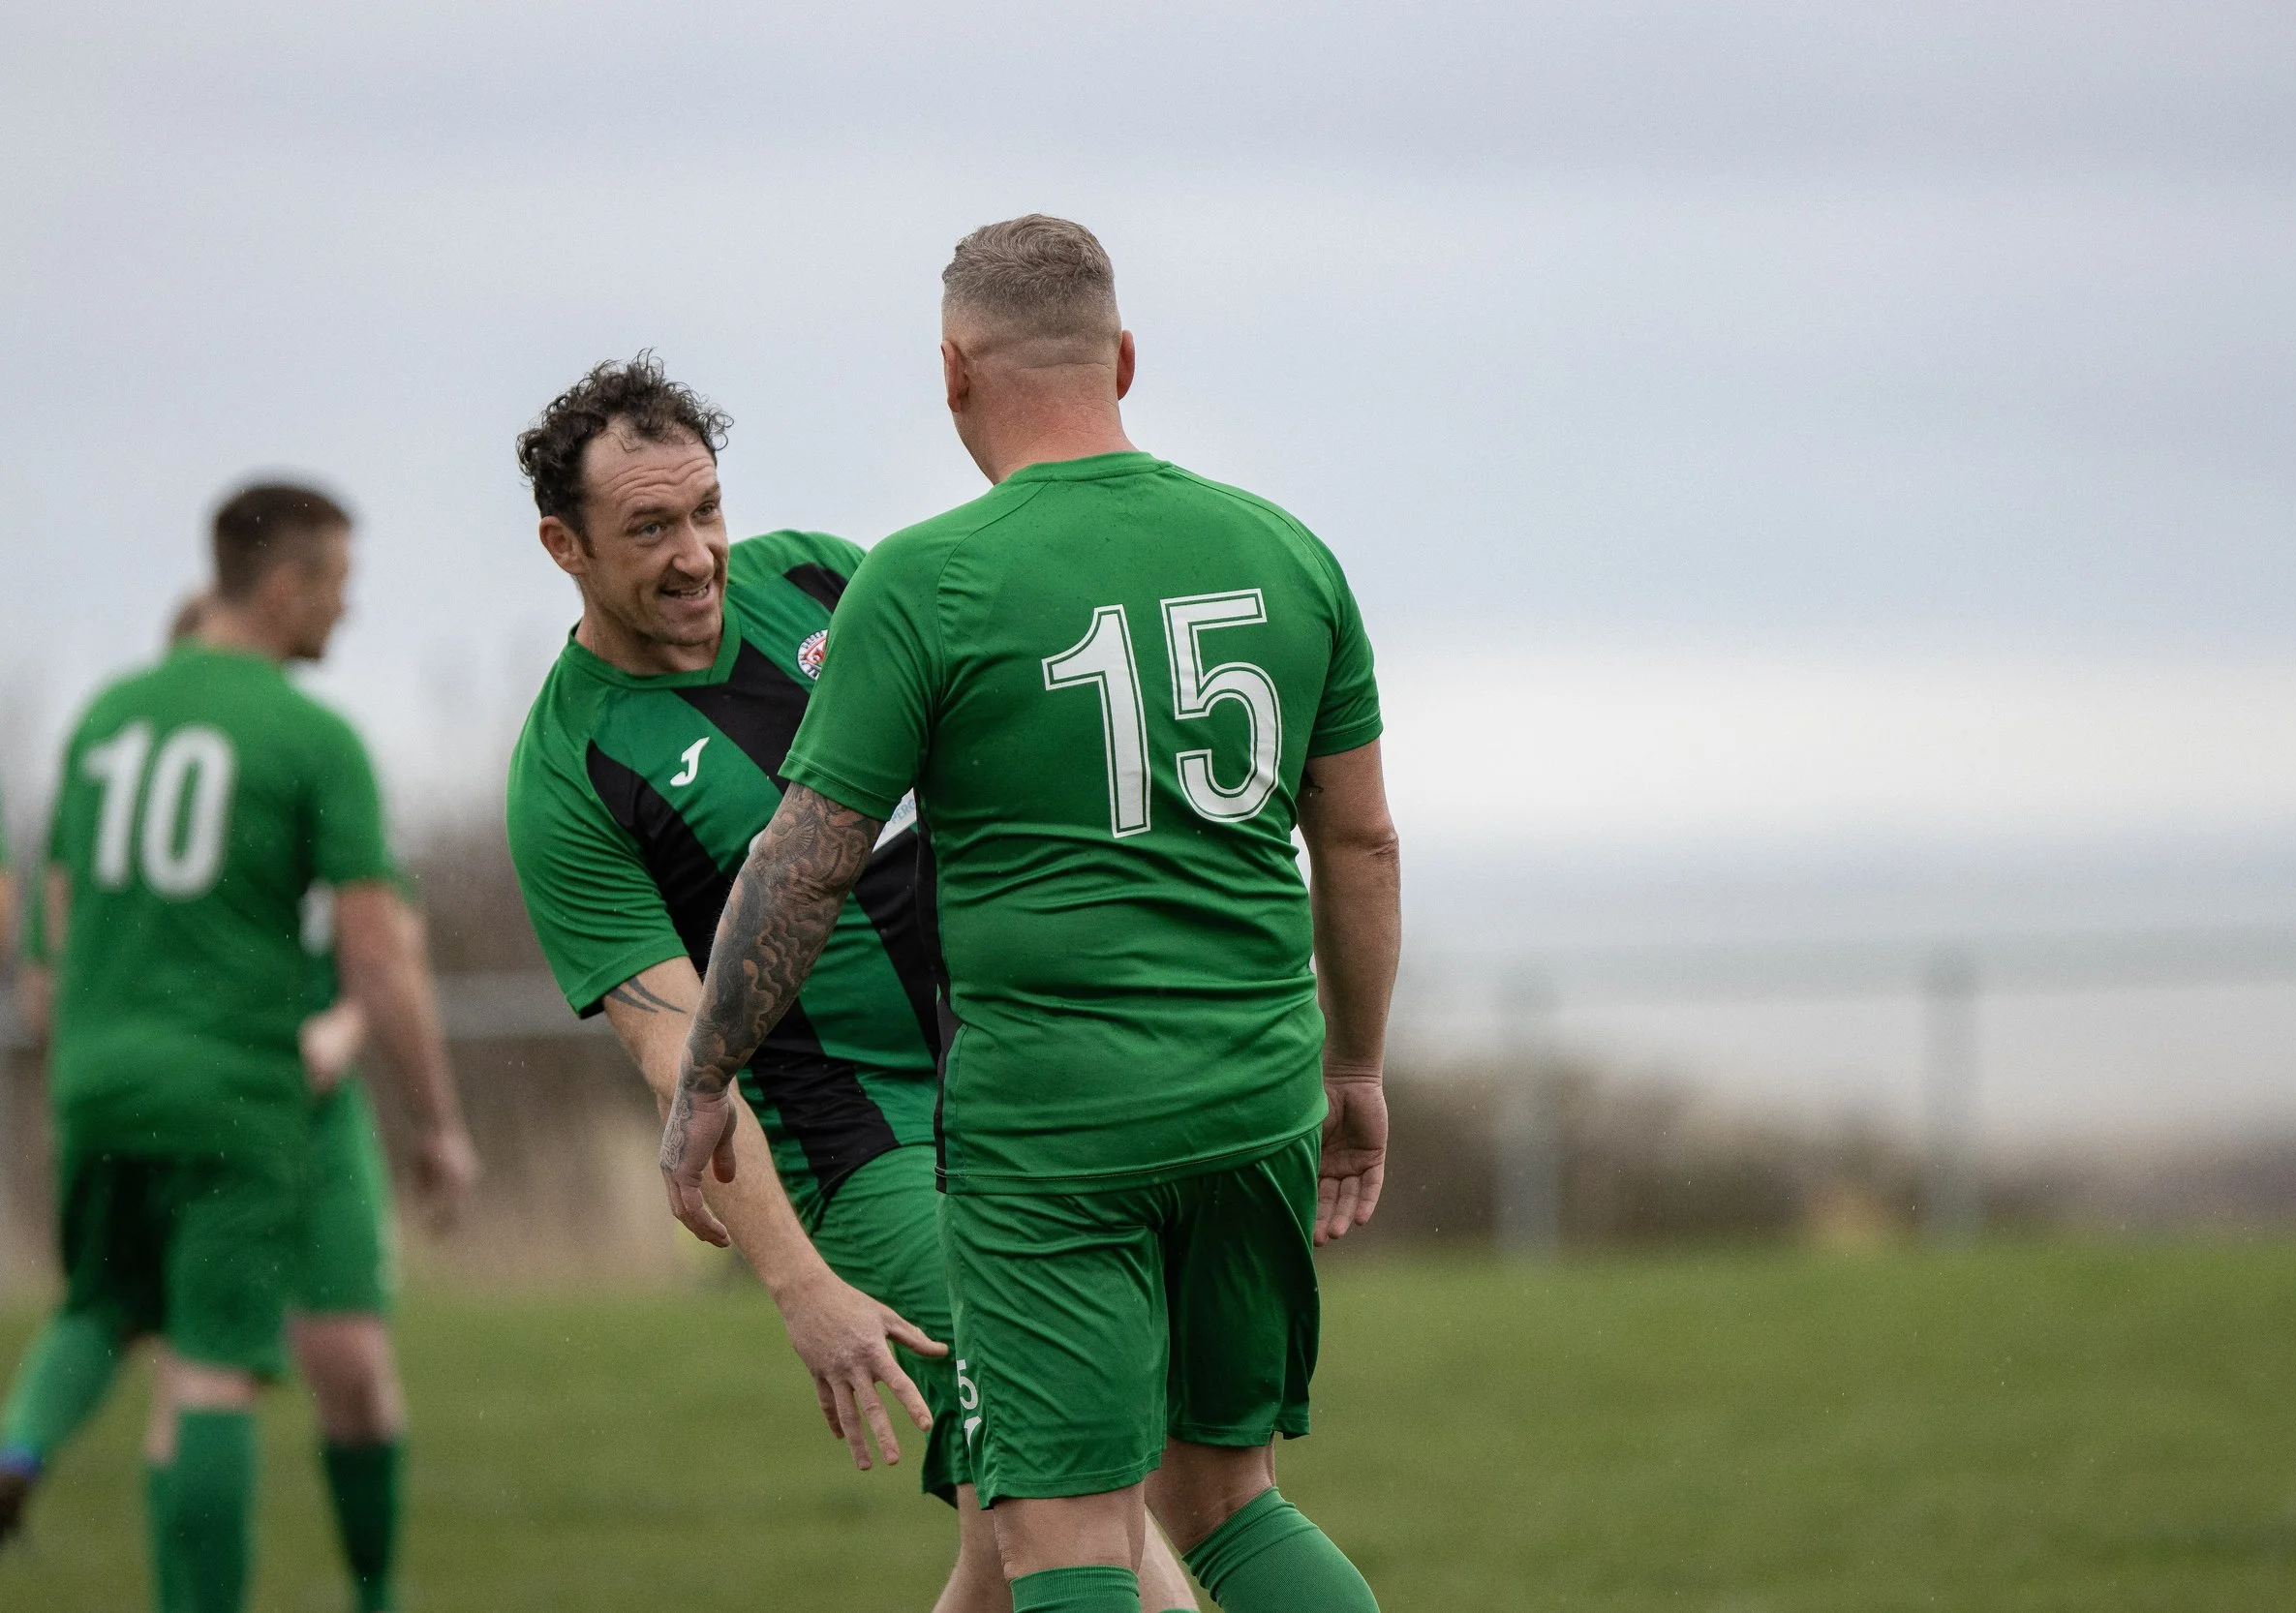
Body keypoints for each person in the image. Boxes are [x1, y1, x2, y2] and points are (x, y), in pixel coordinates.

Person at [661, 216, 1401, 1613]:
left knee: (1059, 1537)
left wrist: (706, 1075)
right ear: (1122, 356)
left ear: (952, 371)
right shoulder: (1285, 552)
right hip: (1255, 1099)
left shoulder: (929, 577)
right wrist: (1354, 1067)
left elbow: (804, 863)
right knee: (1229, 1501)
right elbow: (1359, 837)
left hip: (1053, 1131)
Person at [502, 355, 1197, 1613]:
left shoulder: (821, 576)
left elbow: (1015, 768)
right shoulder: (571, 771)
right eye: (648, 528)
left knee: (1016, 1513)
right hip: (856, 1143)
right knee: (1061, 1485)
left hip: (1015, 1071)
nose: (698, 554)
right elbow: (680, 1066)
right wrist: (800, 1281)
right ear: (564, 543)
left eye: (705, 509)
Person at [0, 486, 478, 1613]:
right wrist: (437, 1121)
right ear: (285, 587)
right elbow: (382, 953)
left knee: (108, 1315)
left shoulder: (109, 717)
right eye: (339, 590)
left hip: (99, 1086)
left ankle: (25, 1452)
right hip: (236, 1095)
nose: (345, 616)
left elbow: (50, 946)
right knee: (214, 1369)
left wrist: (90, 1050)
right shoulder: (307, 736)